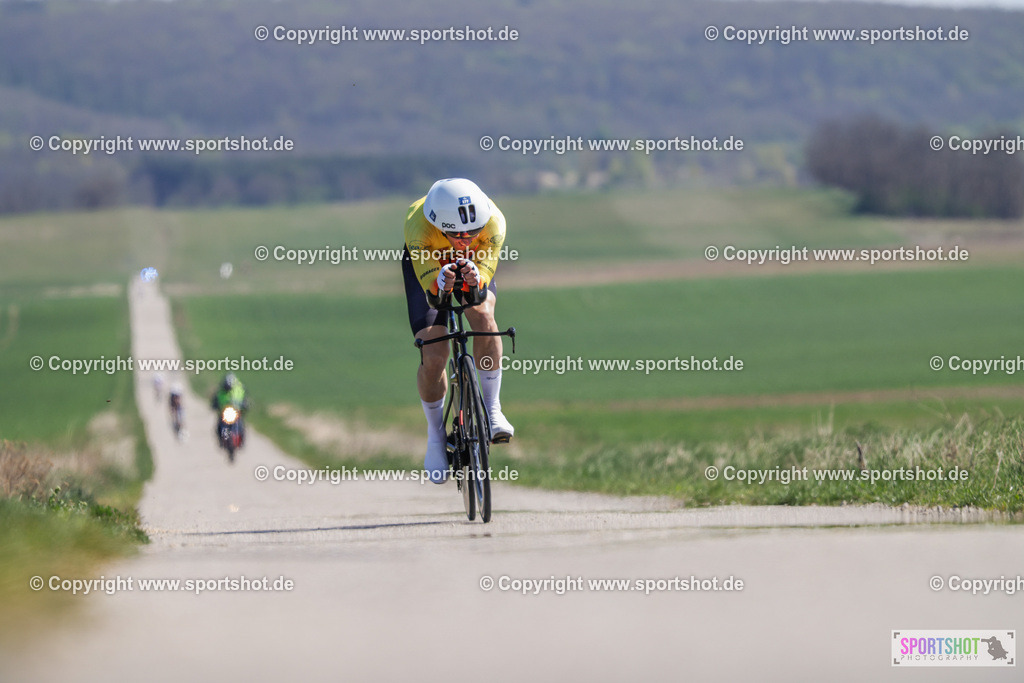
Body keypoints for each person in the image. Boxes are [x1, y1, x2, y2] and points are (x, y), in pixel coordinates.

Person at [402, 178, 514, 484]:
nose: (465, 239)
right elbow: (434, 298)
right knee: (434, 349)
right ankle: (436, 436)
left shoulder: (494, 222)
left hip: (473, 264)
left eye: (472, 232)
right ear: (439, 224)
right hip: (429, 263)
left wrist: (476, 277)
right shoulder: (418, 225)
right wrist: (439, 282)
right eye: (456, 234)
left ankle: (492, 409)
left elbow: (478, 292)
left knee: (483, 316)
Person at [210, 373, 248, 445]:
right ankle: (221, 439)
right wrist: (215, 405)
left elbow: (244, 399)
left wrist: (245, 404)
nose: (228, 388)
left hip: (235, 412)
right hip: (224, 413)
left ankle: (241, 440)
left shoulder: (239, 389)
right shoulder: (220, 391)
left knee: (241, 425)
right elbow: (215, 400)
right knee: (219, 425)